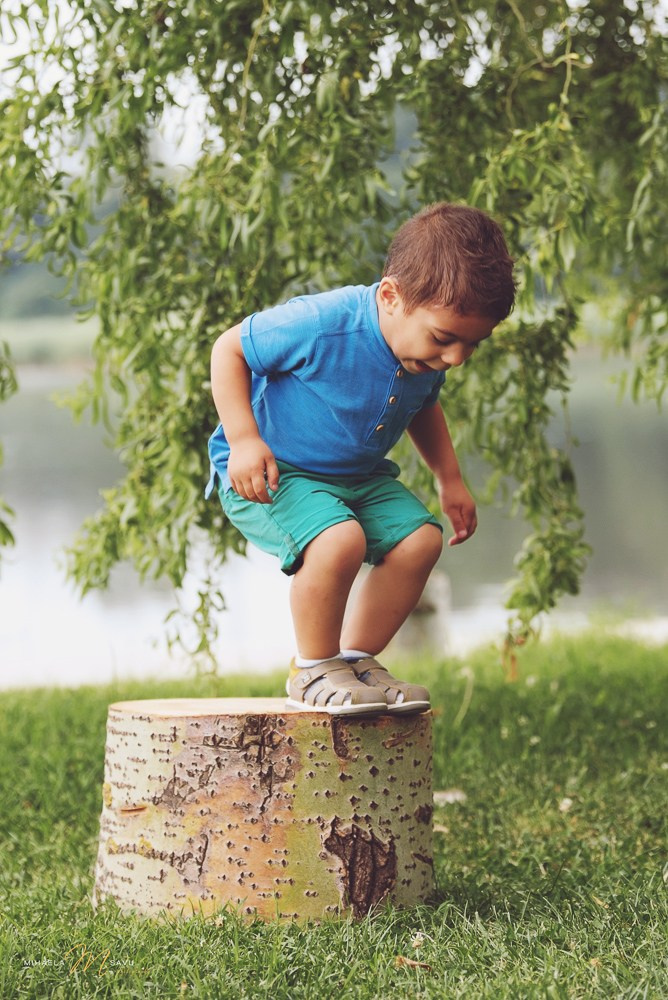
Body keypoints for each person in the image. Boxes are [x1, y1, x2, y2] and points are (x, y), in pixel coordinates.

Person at [206, 202, 515, 715]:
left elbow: (424, 404)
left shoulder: (422, 353)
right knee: (338, 540)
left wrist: (450, 478)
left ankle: (353, 660)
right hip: (271, 473)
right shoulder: (323, 323)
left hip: (357, 478)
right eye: (445, 338)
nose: (456, 358)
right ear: (392, 296)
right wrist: (243, 439)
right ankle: (312, 668)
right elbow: (228, 349)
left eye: (472, 345)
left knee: (420, 541)